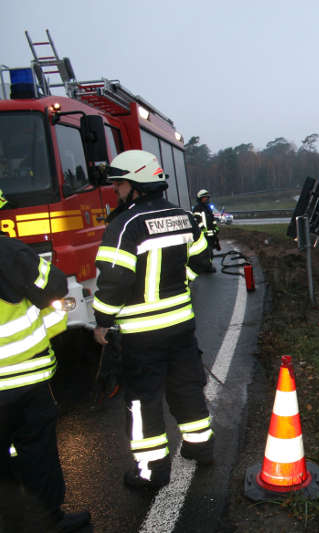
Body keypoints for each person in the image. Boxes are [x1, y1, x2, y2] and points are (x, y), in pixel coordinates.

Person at [91, 150, 214, 490]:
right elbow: (202, 259)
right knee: (187, 388)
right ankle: (201, 447)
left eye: (119, 183)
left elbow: (113, 281)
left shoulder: (124, 224)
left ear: (136, 185)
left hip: (142, 335)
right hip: (181, 327)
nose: (116, 190)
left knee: (143, 402)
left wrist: (102, 321)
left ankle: (151, 473)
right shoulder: (184, 216)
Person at [0, 188, 91, 531]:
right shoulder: (9, 250)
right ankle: (49, 521)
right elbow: (53, 284)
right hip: (24, 378)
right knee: (37, 451)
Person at [192, 189, 219, 273]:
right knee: (207, 252)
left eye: (207, 197)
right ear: (200, 198)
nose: (207, 199)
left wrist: (216, 228)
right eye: (205, 197)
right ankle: (207, 268)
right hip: (203, 235)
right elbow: (197, 221)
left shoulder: (208, 208)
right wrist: (202, 229)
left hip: (210, 235)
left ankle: (207, 266)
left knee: (210, 252)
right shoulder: (197, 208)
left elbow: (212, 220)